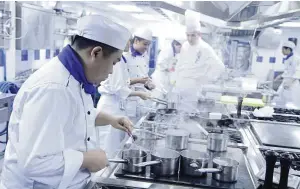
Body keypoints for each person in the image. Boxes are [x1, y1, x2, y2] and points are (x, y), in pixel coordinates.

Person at [0, 15, 132, 189]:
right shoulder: (54, 89)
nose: (111, 71)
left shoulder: (75, 76)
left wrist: (110, 119)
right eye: (113, 62)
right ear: (96, 53)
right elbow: (34, 163)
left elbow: (76, 115)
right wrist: (87, 159)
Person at [96, 37, 152, 157]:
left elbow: (123, 83)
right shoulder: (117, 61)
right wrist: (139, 93)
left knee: (114, 145)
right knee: (107, 146)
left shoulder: (122, 60)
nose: (129, 43)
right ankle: (102, 174)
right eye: (127, 40)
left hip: (117, 105)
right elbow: (118, 87)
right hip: (110, 106)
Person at [172, 10, 225, 107]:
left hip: (193, 89)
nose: (189, 38)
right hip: (179, 87)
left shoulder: (205, 48)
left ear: (199, 35)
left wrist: (205, 79)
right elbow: (180, 64)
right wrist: (175, 80)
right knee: (177, 114)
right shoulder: (185, 45)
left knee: (188, 115)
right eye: (187, 35)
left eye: (193, 35)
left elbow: (220, 67)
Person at [273, 40, 300, 107]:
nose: (282, 51)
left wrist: (291, 82)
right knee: (278, 99)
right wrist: (281, 76)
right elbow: (288, 71)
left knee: (293, 103)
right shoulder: (288, 58)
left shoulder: (296, 58)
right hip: (286, 82)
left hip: (293, 84)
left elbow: (298, 72)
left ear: (288, 49)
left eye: (283, 49)